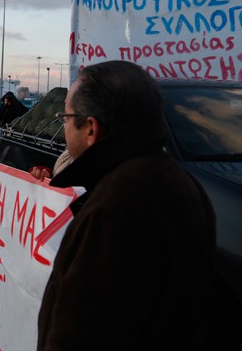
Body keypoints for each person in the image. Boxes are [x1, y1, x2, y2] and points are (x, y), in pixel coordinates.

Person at [37, 61, 216, 350]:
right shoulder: (180, 181)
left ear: (91, 129)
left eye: (66, 117)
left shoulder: (114, 208)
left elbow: (84, 332)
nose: (64, 127)